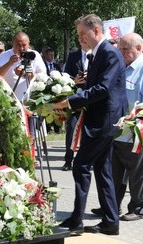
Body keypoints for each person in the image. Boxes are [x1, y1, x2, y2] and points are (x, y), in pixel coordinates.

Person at [53, 14, 128, 236]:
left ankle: (77, 220)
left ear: (96, 30)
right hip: (100, 119)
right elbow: (93, 88)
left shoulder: (110, 53)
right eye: (78, 35)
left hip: (105, 121)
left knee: (81, 166)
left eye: (82, 34)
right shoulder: (96, 55)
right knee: (103, 171)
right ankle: (110, 222)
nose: (80, 39)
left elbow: (103, 89)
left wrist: (69, 102)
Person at [91, 33, 143, 221]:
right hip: (116, 131)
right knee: (115, 172)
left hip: (135, 131)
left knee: (138, 174)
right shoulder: (122, 67)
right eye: (120, 49)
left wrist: (136, 122)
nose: (121, 52)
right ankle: (112, 206)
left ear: (139, 48)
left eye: (125, 49)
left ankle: (139, 208)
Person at [0, 32, 46, 101]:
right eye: (18, 45)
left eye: (24, 45)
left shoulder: (34, 55)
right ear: (13, 43)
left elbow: (43, 78)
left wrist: (26, 74)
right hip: (10, 100)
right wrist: (9, 63)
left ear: (29, 43)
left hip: (31, 100)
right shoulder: (4, 55)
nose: (21, 48)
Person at [61, 46, 90, 171]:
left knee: (89, 131)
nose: (83, 41)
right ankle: (68, 160)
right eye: (80, 38)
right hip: (76, 98)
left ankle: (87, 161)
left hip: (93, 98)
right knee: (71, 128)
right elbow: (64, 77)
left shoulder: (98, 55)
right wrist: (74, 80)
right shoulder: (73, 56)